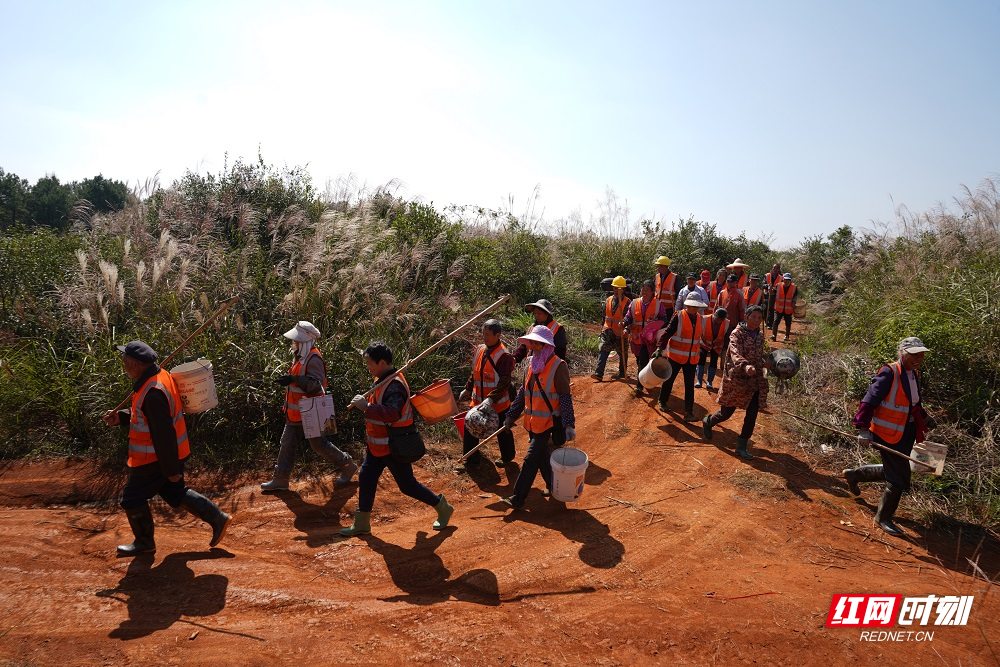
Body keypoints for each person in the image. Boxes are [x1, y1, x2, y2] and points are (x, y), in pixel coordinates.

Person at [103, 341, 232, 556]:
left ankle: (144, 543)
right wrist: (122, 417)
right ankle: (217, 517)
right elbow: (146, 417)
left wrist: (171, 470)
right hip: (166, 455)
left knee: (132, 498)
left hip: (153, 458)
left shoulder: (153, 392)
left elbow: (163, 436)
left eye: (125, 361)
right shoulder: (159, 377)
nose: (123, 365)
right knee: (173, 491)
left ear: (135, 364)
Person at [340, 342, 454, 536]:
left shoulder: (394, 386)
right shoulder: (383, 379)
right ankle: (362, 523)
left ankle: (442, 507)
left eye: (370, 364)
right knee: (366, 478)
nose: (368, 368)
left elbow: (392, 414)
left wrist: (366, 407)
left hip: (394, 446)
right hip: (376, 447)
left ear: (382, 362)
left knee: (407, 485)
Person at [844, 337, 933, 537]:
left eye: (921, 355)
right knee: (899, 477)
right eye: (914, 354)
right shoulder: (889, 372)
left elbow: (912, 404)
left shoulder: (914, 374)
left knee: (895, 470)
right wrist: (863, 428)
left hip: (906, 432)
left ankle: (855, 475)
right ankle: (883, 517)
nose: (918, 358)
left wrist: (925, 417)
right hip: (887, 433)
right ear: (902, 353)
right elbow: (869, 400)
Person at [261, 321, 358, 491]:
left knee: (319, 445)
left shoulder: (314, 358)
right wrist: (291, 379)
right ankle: (281, 479)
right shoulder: (301, 356)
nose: (293, 343)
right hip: (297, 413)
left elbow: (316, 385)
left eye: (296, 340)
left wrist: (294, 379)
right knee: (287, 443)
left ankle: (347, 464)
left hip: (311, 412)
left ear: (305, 341)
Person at [500, 325, 576, 508]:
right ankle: (553, 486)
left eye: (537, 343)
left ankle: (518, 498)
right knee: (542, 457)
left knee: (530, 459)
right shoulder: (531, 364)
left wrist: (569, 424)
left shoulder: (559, 366)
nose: (532, 346)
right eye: (531, 342)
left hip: (549, 423)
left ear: (546, 345)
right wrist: (511, 415)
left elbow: (565, 397)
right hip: (533, 422)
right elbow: (522, 393)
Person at [702, 305, 771, 460]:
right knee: (726, 413)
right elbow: (734, 353)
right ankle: (709, 421)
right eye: (754, 317)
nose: (757, 320)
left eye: (760, 318)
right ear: (746, 317)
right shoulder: (736, 334)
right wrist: (745, 366)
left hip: (754, 381)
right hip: (736, 380)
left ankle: (741, 446)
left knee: (752, 414)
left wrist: (764, 362)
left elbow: (759, 355)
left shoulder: (759, 336)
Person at [458, 319, 517, 469]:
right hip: (477, 401)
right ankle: (471, 461)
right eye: (483, 333)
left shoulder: (504, 356)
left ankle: (507, 457)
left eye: (488, 335)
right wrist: (468, 388)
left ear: (497, 335)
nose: (484, 337)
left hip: (499, 403)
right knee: (470, 426)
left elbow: (504, 382)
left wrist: (491, 399)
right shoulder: (479, 350)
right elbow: (475, 373)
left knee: (503, 431)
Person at [654, 293, 706, 421]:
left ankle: (688, 412)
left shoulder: (700, 318)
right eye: (692, 306)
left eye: (696, 306)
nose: (694, 308)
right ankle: (662, 401)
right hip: (676, 356)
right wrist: (659, 347)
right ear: (687, 304)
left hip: (691, 359)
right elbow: (667, 333)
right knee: (669, 380)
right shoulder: (679, 316)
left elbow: (700, 337)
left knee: (689, 385)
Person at [624, 279, 668, 397]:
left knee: (643, 360)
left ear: (652, 291)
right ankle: (644, 378)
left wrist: (656, 322)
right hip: (636, 338)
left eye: (647, 290)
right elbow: (628, 317)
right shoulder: (634, 303)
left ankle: (639, 386)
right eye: (643, 289)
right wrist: (624, 324)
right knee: (639, 360)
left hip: (648, 339)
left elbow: (664, 320)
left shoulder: (658, 304)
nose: (644, 291)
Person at [592, 276, 631, 381]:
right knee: (603, 349)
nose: (616, 290)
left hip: (621, 334)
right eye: (614, 288)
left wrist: (627, 328)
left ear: (623, 289)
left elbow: (630, 318)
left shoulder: (628, 302)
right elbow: (604, 316)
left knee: (623, 353)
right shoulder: (608, 300)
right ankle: (599, 373)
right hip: (608, 331)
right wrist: (602, 329)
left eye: (618, 288)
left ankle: (622, 373)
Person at [696, 308, 727, 390]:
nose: (717, 321)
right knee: (701, 360)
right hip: (704, 343)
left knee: (714, 362)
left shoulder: (727, 323)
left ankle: (709, 382)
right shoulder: (704, 319)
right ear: (714, 315)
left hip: (716, 345)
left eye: (720, 320)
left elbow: (726, 335)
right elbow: (699, 331)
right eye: (716, 319)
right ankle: (699, 381)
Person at [653, 256, 684, 321]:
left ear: (664, 266)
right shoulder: (657, 276)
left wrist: (677, 310)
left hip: (669, 310)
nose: (657, 268)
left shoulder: (675, 277)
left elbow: (679, 295)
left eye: (658, 266)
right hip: (657, 308)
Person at [770, 272, 797, 342]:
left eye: (788, 280)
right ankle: (774, 335)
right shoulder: (778, 286)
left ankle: (786, 336)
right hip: (778, 308)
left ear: (790, 280)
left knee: (788, 323)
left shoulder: (794, 287)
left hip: (788, 309)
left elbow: (795, 296)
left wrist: (794, 302)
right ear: (783, 279)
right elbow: (773, 293)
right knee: (775, 321)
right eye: (785, 279)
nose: (786, 281)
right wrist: (770, 290)